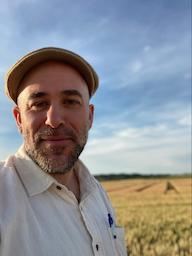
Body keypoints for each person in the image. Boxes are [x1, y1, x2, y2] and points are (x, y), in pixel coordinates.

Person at [0, 47, 127, 256]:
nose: (54, 119)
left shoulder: (96, 192)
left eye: (70, 102)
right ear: (19, 119)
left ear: (90, 116)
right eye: (38, 104)